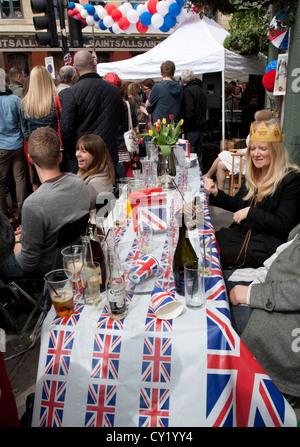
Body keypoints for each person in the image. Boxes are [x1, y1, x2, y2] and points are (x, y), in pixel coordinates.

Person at [204, 118, 300, 270]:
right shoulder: (254, 174)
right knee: (205, 243)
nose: (256, 154)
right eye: (253, 149)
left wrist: (251, 212)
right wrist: (216, 192)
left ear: (275, 150)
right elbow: (238, 204)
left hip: (265, 244)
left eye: (263, 148)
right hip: (242, 233)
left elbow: (285, 226)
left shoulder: (290, 179)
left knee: (210, 256)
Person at [0, 127, 89, 278]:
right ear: (60, 157)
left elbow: (28, 263)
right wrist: (28, 233)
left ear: (30, 159)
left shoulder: (34, 204)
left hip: (47, 268)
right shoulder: (79, 182)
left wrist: (16, 244)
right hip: (72, 257)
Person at [226, 223, 300, 399]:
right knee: (209, 285)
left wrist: (253, 294)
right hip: (270, 284)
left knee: (214, 328)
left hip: (286, 318)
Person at [60, 50, 125, 174]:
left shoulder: (71, 93)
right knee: (109, 190)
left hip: (85, 156)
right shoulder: (113, 90)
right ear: (94, 63)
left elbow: (66, 129)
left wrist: (75, 153)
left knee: (85, 191)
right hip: (107, 153)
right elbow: (121, 122)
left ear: (75, 67)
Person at [204, 109, 273, 190]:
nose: (255, 121)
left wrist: (242, 151)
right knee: (220, 164)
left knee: (223, 154)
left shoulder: (263, 134)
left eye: (257, 120)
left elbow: (255, 149)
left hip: (250, 162)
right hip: (246, 158)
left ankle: (208, 175)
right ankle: (219, 192)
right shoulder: (256, 130)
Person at [19, 65, 58, 191]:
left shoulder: (24, 103)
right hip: (54, 148)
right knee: (56, 182)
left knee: (37, 183)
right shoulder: (55, 100)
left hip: (35, 148)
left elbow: (25, 133)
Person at [0, 69, 28, 220]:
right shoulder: (15, 100)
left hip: (1, 147)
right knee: (20, 179)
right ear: (7, 82)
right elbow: (22, 121)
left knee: (1, 182)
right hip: (17, 144)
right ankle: (23, 214)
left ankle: (4, 215)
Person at [104, 73, 138, 178]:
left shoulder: (103, 105)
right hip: (125, 144)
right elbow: (134, 124)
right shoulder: (126, 105)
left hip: (109, 145)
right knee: (128, 174)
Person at [76, 134, 115, 207]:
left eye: (83, 151)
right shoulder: (85, 173)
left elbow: (77, 207)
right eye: (78, 149)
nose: (77, 154)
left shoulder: (96, 183)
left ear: (96, 156)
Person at [180, 69, 207, 172]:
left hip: (191, 128)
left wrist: (183, 124)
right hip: (200, 127)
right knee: (198, 154)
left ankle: (193, 177)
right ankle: (200, 175)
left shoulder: (187, 91)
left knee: (191, 155)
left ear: (183, 80)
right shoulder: (200, 89)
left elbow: (189, 112)